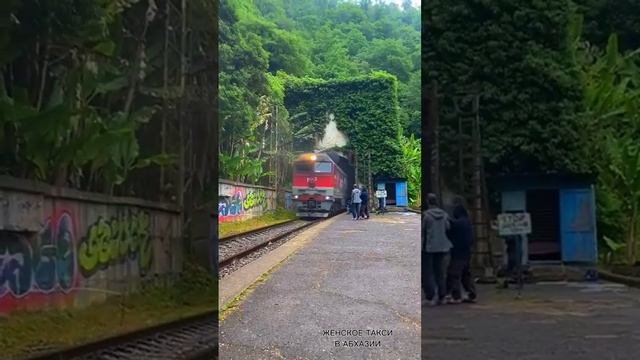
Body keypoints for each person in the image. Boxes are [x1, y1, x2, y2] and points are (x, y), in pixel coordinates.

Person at [422, 193, 452, 305]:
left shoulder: (426, 216)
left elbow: (423, 231)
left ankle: (430, 297)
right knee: (440, 272)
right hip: (443, 247)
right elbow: (448, 227)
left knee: (428, 273)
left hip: (429, 247)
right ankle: (442, 296)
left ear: (428, 202)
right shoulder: (444, 214)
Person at [445, 199, 477, 304]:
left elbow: (453, 225)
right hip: (467, 251)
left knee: (454, 274)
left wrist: (446, 217)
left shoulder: (460, 222)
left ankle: (456, 296)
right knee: (466, 274)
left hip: (458, 252)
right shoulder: (467, 222)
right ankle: (471, 294)